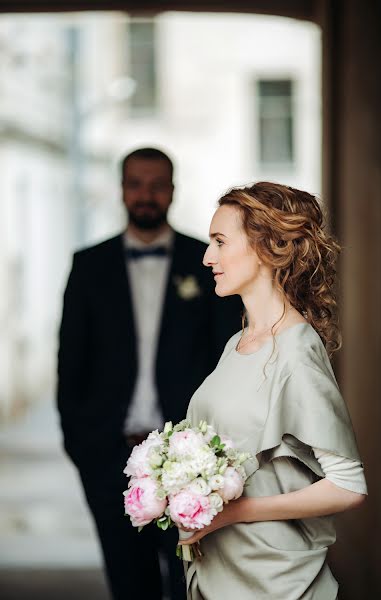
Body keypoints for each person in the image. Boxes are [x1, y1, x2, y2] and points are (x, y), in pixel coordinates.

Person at [56, 147, 242, 600]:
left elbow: (226, 361)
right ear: (121, 189)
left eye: (157, 184)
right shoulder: (89, 265)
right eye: (136, 183)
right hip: (109, 459)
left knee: (190, 585)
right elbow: (70, 365)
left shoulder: (207, 261)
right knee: (128, 585)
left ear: (172, 191)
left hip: (190, 466)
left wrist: (212, 454)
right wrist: (84, 448)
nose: (146, 195)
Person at [179, 182, 368, 600]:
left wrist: (234, 513)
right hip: (220, 575)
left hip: (274, 585)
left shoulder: (296, 352)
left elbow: (349, 485)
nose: (208, 257)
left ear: (266, 248)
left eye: (220, 242)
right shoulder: (238, 342)